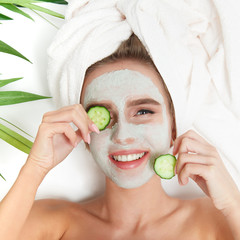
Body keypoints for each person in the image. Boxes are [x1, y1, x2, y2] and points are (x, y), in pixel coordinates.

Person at [0, 34, 239, 240]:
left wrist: (232, 201)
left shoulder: (214, 221)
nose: (123, 136)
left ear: (173, 128)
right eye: (103, 116)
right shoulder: (57, 224)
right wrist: (35, 167)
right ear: (83, 130)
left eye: (143, 111)